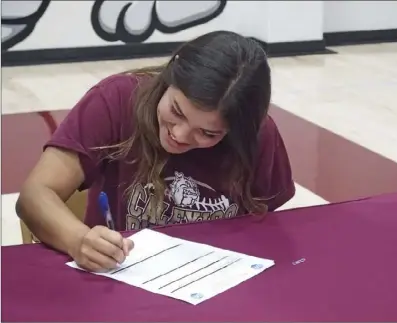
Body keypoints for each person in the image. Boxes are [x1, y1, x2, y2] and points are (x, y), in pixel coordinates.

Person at [16, 31, 295, 272]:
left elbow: (268, 229)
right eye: (176, 111)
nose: (180, 135)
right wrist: (78, 240)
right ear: (169, 76)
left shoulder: (258, 136)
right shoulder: (115, 101)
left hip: (212, 279)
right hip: (120, 278)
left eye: (208, 133)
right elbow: (35, 195)